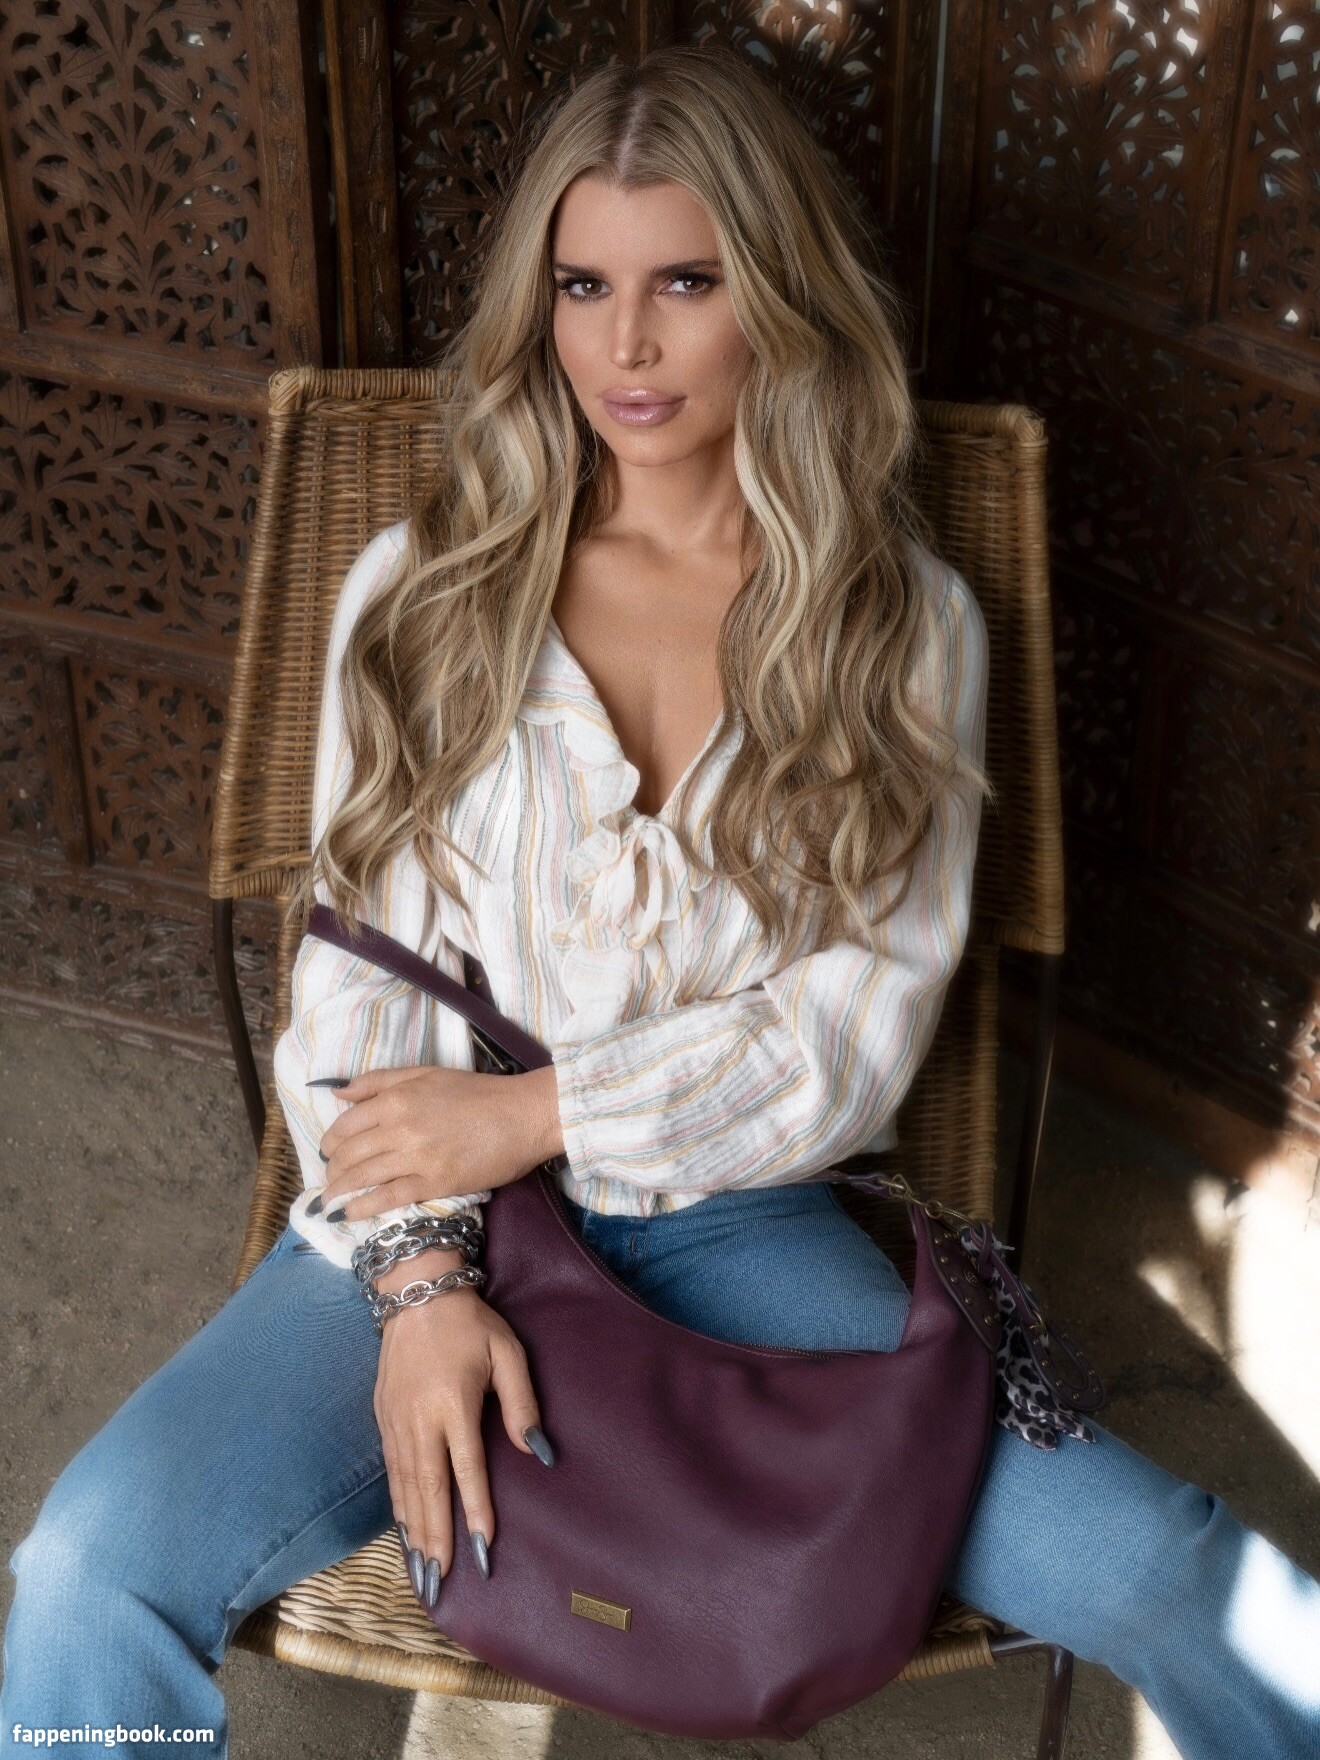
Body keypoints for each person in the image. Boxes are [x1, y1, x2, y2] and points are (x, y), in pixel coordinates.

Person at [3, 42, 1317, 1760]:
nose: (625, 345)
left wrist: (540, 1111)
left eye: (686, 284)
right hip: (425, 1208)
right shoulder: (429, 588)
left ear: (780, 294)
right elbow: (357, 979)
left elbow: (849, 1037)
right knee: (90, 1568)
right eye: (584, 287)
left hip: (740, 1215)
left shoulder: (898, 625)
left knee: (1167, 1567)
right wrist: (420, 1288)